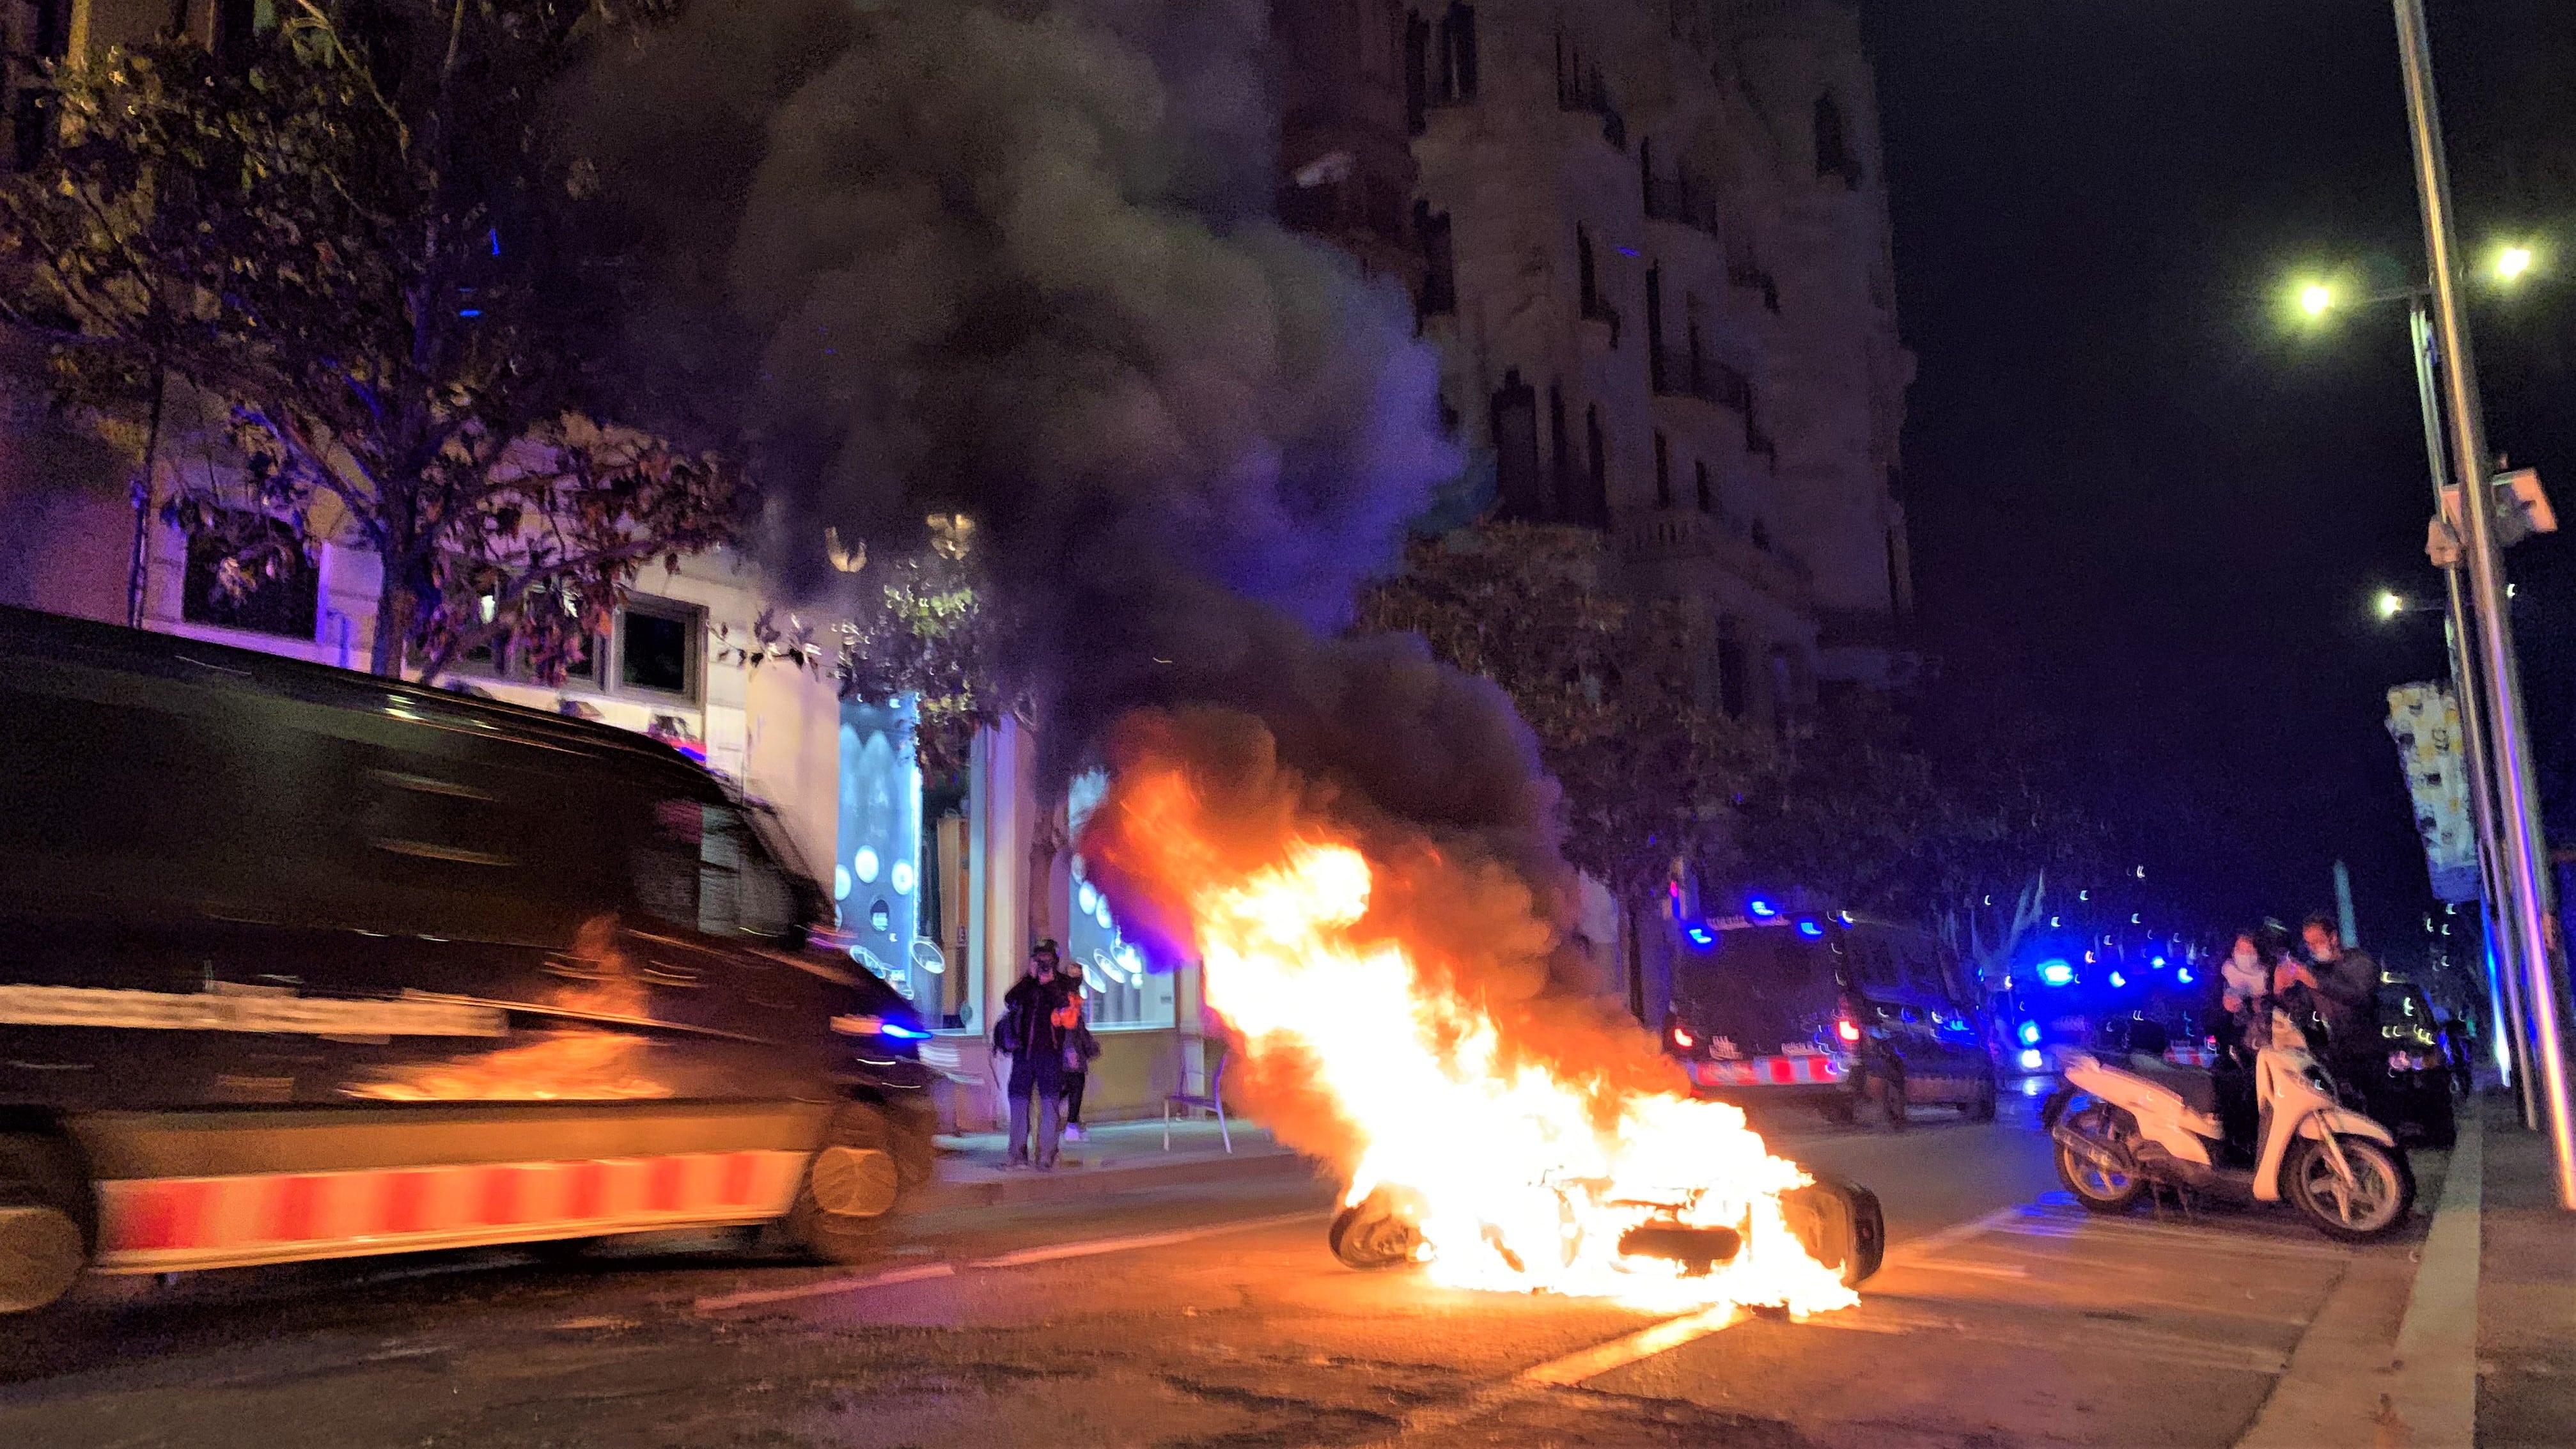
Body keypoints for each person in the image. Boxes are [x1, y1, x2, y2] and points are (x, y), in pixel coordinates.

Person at [994, 941, 1071, 1170]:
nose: (1044, 965)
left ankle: (1047, 1154)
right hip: (1023, 1054)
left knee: (1050, 1105)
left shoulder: (1063, 984)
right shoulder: (1028, 984)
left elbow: (1067, 1010)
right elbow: (1009, 999)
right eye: (1039, 960)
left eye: (1047, 960)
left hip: (1050, 1055)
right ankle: (1017, 1154)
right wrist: (1029, 977)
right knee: (1018, 1102)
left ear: (1055, 962)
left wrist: (1050, 986)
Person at [2287, 914, 2382, 1090]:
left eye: (2317, 941)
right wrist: (2281, 990)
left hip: (2369, 1057)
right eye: (2309, 943)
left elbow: (2359, 995)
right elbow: (2301, 1013)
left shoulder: (2360, 962)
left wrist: (2317, 983)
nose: (2313, 948)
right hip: (2336, 1061)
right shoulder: (2315, 972)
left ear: (2333, 938)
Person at [1054, 959, 1102, 1142]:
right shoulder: (1069, 997)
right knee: (1075, 1085)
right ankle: (1071, 1124)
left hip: (1069, 1048)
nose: (1078, 977)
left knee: (1070, 1085)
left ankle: (1066, 1121)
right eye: (1074, 973)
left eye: (1079, 973)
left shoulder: (1067, 995)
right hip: (1070, 1048)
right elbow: (1073, 1025)